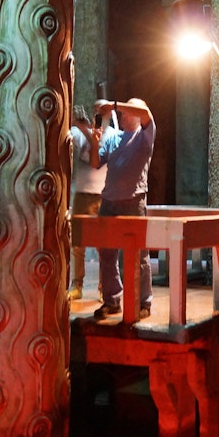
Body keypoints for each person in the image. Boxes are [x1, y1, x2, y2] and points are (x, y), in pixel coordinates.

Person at [83, 98, 156, 320]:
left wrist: (115, 105)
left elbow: (145, 111)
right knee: (106, 253)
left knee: (139, 254)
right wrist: (95, 142)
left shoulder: (144, 135)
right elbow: (95, 163)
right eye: (122, 112)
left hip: (133, 200)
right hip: (109, 200)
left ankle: (143, 301)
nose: (123, 115)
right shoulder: (113, 136)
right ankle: (111, 300)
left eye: (127, 111)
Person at [68, 105, 106, 300]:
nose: (98, 117)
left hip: (102, 194)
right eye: (96, 113)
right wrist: (79, 124)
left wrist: (89, 133)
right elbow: (70, 131)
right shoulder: (79, 132)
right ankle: (77, 285)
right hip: (82, 194)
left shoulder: (112, 135)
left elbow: (95, 157)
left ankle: (103, 287)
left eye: (102, 114)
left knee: (103, 244)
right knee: (78, 243)